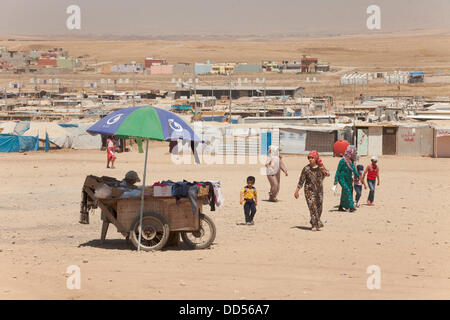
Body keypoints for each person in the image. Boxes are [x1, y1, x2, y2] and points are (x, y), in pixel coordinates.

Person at [294, 151, 330, 231]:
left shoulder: (321, 167)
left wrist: (323, 170)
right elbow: (301, 181)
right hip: (309, 191)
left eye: (312, 158)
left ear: (316, 158)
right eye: (309, 158)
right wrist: (297, 191)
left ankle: (314, 220)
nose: (310, 159)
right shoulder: (306, 169)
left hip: (319, 191)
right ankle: (315, 225)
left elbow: (328, 174)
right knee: (312, 207)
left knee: (319, 208)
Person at [334, 145, 361, 212]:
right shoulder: (342, 161)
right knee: (347, 190)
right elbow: (338, 170)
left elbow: (354, 170)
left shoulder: (351, 161)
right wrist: (336, 180)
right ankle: (351, 207)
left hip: (349, 179)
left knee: (345, 192)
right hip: (342, 178)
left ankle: (341, 206)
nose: (355, 154)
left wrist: (358, 176)